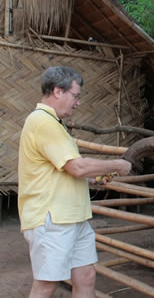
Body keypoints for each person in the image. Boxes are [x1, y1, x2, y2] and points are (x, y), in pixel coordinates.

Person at [18, 66, 132, 298]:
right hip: (51, 218)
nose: (78, 102)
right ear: (58, 91)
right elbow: (76, 166)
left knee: (86, 276)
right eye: (76, 95)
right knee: (47, 284)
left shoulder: (54, 124)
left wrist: (93, 178)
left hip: (72, 216)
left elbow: (65, 169)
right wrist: (117, 165)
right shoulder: (43, 122)